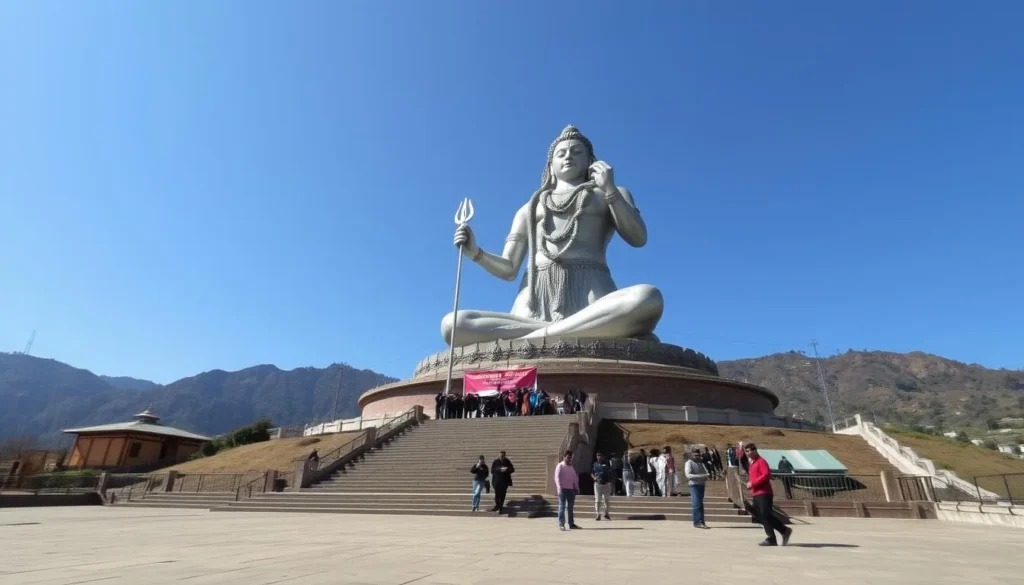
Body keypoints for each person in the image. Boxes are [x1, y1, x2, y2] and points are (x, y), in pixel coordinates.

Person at [744, 443, 792, 546]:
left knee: (766, 514)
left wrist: (753, 483)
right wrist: (751, 485)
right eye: (746, 451)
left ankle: (784, 530)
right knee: (761, 516)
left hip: (764, 492)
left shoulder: (761, 461)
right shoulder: (752, 464)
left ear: (755, 450)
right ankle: (771, 538)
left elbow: (766, 475)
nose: (747, 453)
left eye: (749, 450)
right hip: (756, 493)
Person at [554, 450, 581, 530]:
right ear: (564, 457)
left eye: (571, 458)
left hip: (571, 490)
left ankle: (571, 523)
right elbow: (556, 478)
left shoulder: (571, 468)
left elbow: (574, 479)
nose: (569, 459)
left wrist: (577, 488)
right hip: (562, 490)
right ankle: (561, 524)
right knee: (562, 507)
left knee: (570, 508)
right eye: (568, 457)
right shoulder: (560, 466)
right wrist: (559, 488)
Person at [684, 448, 710, 529]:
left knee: (700, 504)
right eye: (696, 455)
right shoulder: (689, 463)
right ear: (692, 455)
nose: (697, 457)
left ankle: (701, 521)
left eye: (699, 455)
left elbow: (707, 473)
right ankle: (697, 522)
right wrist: (702, 476)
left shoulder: (701, 463)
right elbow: (689, 475)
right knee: (696, 504)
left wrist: (705, 475)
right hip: (694, 485)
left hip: (702, 484)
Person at [591, 451, 614, 521]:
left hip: (606, 484)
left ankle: (606, 513)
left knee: (606, 500)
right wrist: (594, 478)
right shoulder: (594, 464)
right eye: (598, 455)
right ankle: (598, 514)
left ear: (602, 456)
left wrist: (610, 481)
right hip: (598, 484)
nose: (599, 457)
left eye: (600, 455)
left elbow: (611, 472)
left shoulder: (607, 463)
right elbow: (592, 473)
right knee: (597, 500)